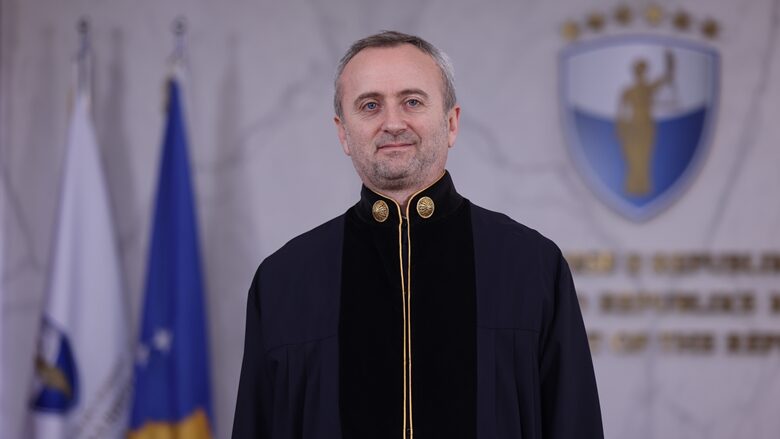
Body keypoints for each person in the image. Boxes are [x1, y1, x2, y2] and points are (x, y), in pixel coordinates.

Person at [232, 31, 603, 439]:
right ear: (343, 133)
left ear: (451, 123)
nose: (393, 123)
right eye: (370, 105)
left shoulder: (532, 267)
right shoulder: (284, 281)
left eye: (412, 101)